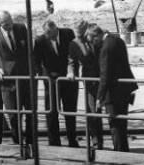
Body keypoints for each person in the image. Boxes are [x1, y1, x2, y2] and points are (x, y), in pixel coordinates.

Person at [0, 11, 33, 146]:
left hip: (25, 79)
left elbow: (29, 50)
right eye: (5, 24)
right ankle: (18, 144)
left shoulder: (21, 28)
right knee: (13, 116)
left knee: (30, 114)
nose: (9, 26)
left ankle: (30, 143)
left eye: (10, 22)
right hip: (8, 83)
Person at [86, 24, 138, 152]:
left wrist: (99, 97)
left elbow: (105, 75)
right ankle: (124, 150)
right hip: (125, 88)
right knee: (122, 123)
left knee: (114, 124)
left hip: (113, 92)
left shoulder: (106, 48)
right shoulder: (117, 40)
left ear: (97, 36)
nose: (93, 43)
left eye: (93, 40)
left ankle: (119, 152)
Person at [34, 20, 79, 147]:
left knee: (70, 111)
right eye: (46, 33)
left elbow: (73, 55)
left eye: (49, 33)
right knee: (52, 112)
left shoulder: (68, 34)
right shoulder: (40, 40)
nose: (47, 35)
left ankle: (72, 140)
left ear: (56, 29)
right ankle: (54, 142)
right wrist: (43, 76)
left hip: (68, 79)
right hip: (51, 81)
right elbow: (36, 61)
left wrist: (72, 71)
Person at [68, 20, 103, 150]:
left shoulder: (94, 36)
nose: (79, 35)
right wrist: (71, 72)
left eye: (80, 32)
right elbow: (72, 61)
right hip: (90, 81)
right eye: (77, 32)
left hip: (103, 76)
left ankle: (118, 143)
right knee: (93, 111)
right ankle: (96, 142)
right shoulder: (74, 44)